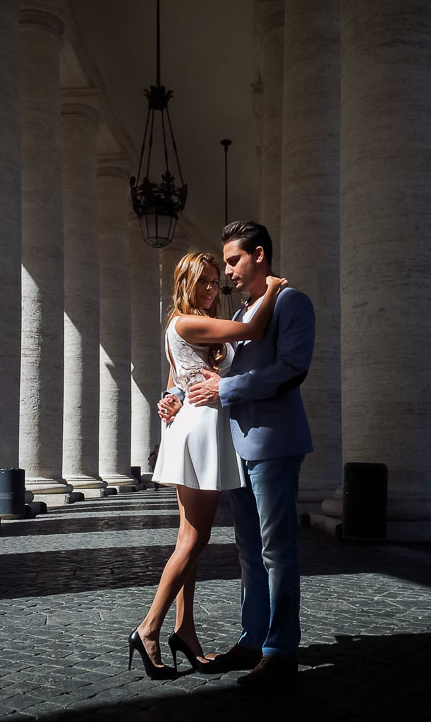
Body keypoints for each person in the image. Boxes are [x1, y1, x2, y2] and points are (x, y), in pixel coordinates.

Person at [164, 221, 315, 687]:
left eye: (232, 261)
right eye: (223, 263)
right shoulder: (247, 309)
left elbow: (292, 370)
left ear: (260, 255)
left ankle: (280, 649)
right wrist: (172, 395)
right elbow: (193, 372)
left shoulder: (291, 302)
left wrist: (225, 387)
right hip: (234, 447)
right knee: (248, 552)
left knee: (277, 550)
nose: (226, 271)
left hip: (273, 442)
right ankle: (253, 639)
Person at [128, 251, 287, 680]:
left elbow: (176, 379)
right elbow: (252, 328)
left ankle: (186, 632)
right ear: (185, 282)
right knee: (195, 540)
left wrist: (173, 397)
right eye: (205, 281)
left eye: (217, 281)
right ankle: (148, 629)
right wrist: (273, 287)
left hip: (194, 422)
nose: (213, 289)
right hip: (201, 430)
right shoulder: (186, 320)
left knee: (189, 539)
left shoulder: (186, 325)